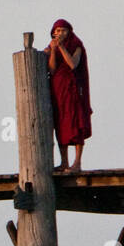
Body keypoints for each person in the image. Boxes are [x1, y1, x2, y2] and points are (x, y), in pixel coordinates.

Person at [45, 19, 92, 171]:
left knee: (76, 123)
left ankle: (77, 162)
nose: (59, 34)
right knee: (61, 124)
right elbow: (52, 70)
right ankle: (64, 162)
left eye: (63, 31)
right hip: (58, 90)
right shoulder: (52, 47)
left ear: (69, 32)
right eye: (57, 31)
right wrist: (53, 50)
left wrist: (62, 48)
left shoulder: (76, 45)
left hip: (74, 91)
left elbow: (72, 64)